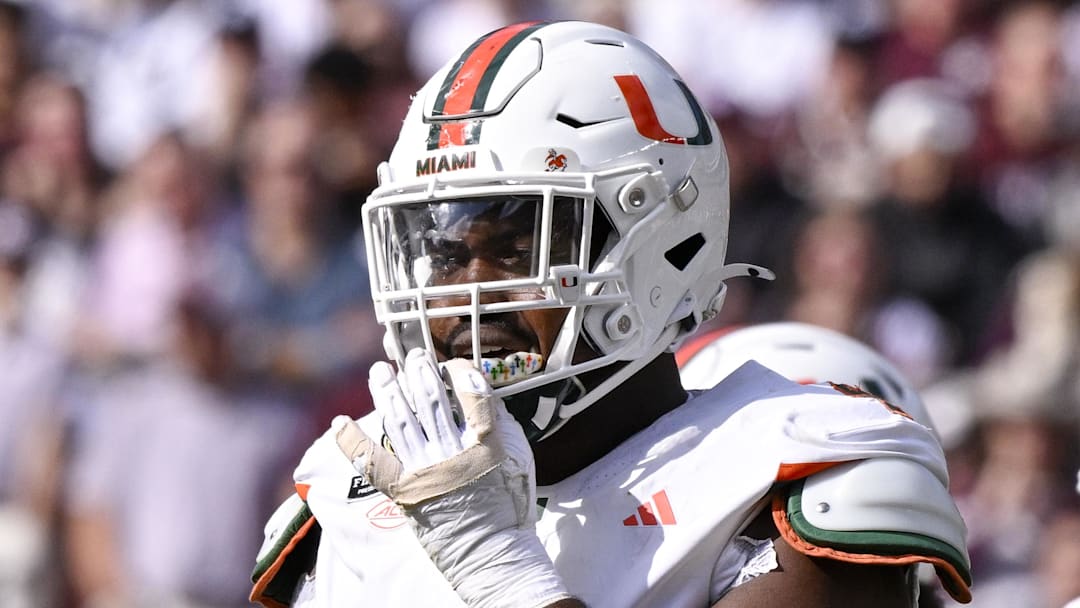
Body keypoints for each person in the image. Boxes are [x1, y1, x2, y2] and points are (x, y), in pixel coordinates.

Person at [250, 21, 971, 607]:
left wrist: (496, 568)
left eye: (516, 246)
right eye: (441, 254)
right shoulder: (349, 496)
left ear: (661, 244)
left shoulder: (797, 475)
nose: (465, 295)